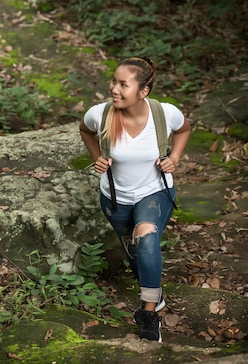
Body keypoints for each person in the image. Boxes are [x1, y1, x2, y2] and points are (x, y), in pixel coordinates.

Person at [79, 56, 191, 342]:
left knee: (147, 237)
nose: (114, 89)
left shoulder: (164, 114)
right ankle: (153, 287)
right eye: (114, 81)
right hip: (115, 198)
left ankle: (149, 313)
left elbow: (184, 130)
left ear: (143, 91)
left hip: (155, 193)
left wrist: (174, 158)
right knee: (134, 252)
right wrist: (97, 159)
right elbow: (85, 131)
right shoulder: (100, 114)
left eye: (123, 85)